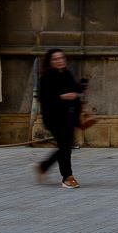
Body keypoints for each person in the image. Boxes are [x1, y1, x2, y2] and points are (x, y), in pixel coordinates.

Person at [33, 49, 87, 187]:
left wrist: (81, 87)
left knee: (65, 146)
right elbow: (44, 98)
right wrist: (62, 97)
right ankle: (67, 177)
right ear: (50, 62)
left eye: (61, 58)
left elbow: (75, 89)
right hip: (54, 118)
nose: (60, 61)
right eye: (56, 59)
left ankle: (44, 167)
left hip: (68, 116)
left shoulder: (66, 74)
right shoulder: (46, 77)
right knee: (65, 147)